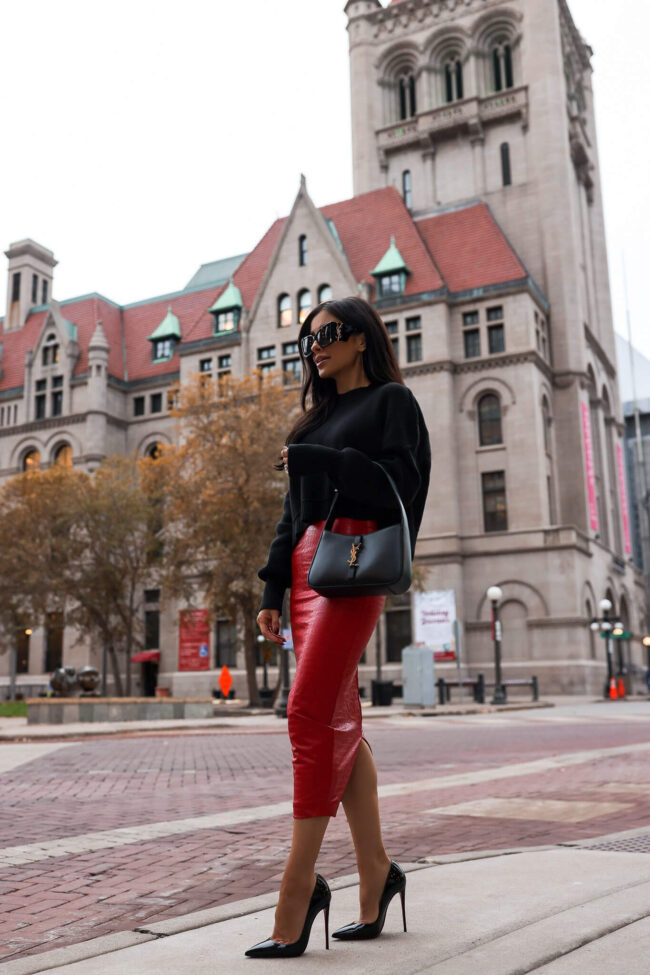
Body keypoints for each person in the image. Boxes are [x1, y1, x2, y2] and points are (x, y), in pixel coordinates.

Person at [245, 296, 431, 958]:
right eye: (306, 340)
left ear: (361, 338)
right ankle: (377, 871)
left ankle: (297, 889)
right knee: (337, 718)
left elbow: (400, 492)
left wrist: (324, 463)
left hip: (354, 562)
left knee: (305, 713)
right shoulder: (314, 418)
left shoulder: (392, 404)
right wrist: (272, 583)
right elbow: (290, 515)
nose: (314, 347)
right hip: (305, 569)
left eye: (326, 334)